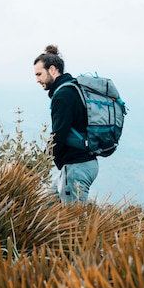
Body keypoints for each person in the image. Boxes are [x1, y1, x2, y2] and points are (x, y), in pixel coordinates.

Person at [33, 45, 98, 203]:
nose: (37, 80)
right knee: (45, 207)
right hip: (75, 167)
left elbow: (58, 135)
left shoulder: (63, 95)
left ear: (53, 70)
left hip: (77, 167)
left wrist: (38, 166)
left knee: (74, 224)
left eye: (39, 74)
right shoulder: (72, 88)